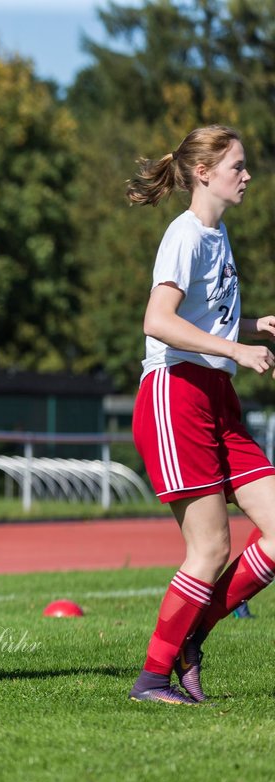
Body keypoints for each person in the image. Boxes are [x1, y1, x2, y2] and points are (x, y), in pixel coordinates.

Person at [125, 125, 275, 704]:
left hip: (217, 396)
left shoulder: (218, 235)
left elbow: (203, 323)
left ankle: (193, 638)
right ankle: (151, 680)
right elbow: (158, 321)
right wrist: (237, 349)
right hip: (175, 394)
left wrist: (249, 325)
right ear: (204, 173)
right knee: (210, 549)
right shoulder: (183, 235)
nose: (247, 175)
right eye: (238, 165)